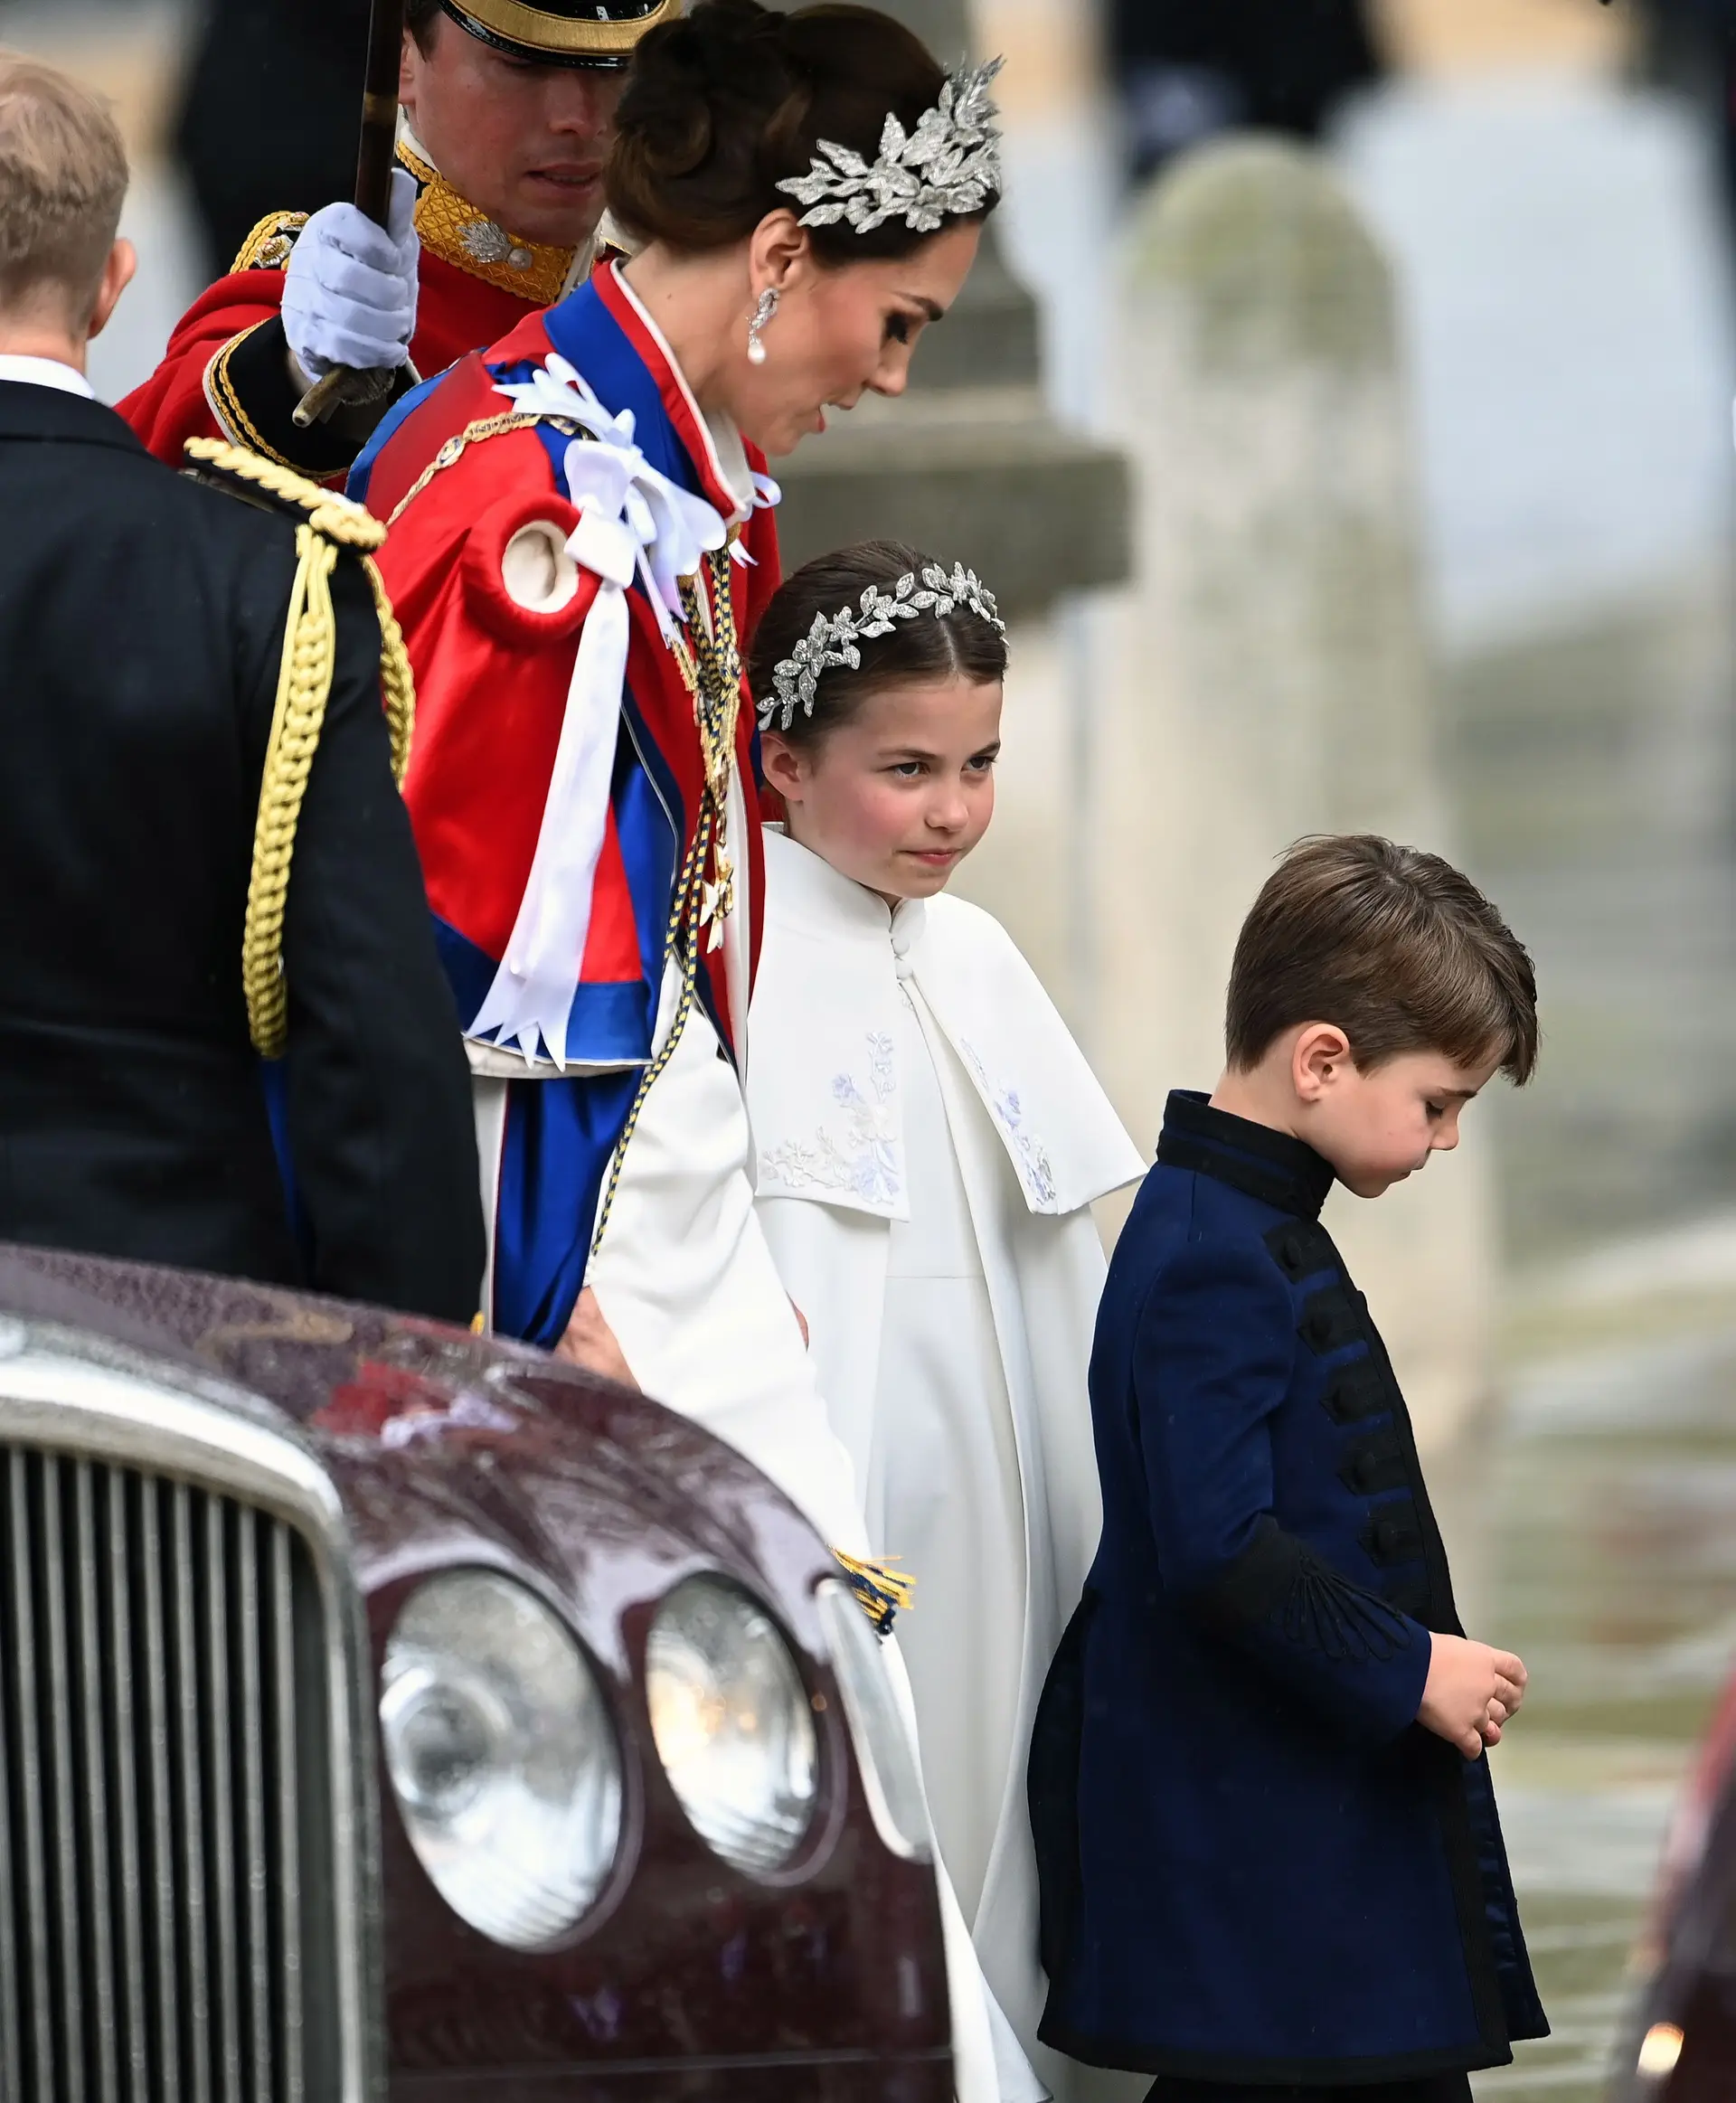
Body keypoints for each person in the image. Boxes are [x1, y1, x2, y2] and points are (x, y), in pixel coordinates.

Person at [1030, 835, 1550, 2098]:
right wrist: (1411, 1663)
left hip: (1291, 1832)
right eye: (1440, 1101)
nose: (1449, 1140)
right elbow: (1218, 1545)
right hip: (1258, 1841)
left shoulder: (1246, 1218)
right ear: (1323, 1058)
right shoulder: (1214, 1248)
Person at [743, 542, 1146, 2093]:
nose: (954, 811)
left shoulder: (977, 953)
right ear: (784, 759)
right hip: (869, 1472)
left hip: (1030, 1482)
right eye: (907, 769)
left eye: (980, 765)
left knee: (1037, 1794)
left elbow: (1060, 1249)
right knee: (901, 1781)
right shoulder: (739, 958)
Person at [0, 54, 484, 1324]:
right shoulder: (266, 582)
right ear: (115, 281)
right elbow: (372, 1043)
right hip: (169, 1327)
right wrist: (402, 1353)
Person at [121, 0, 671, 484]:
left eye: (616, 67)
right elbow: (132, 480)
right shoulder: (318, 302)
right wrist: (296, 375)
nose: (580, 118)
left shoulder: (667, 312)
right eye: (522, 65)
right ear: (404, 58)